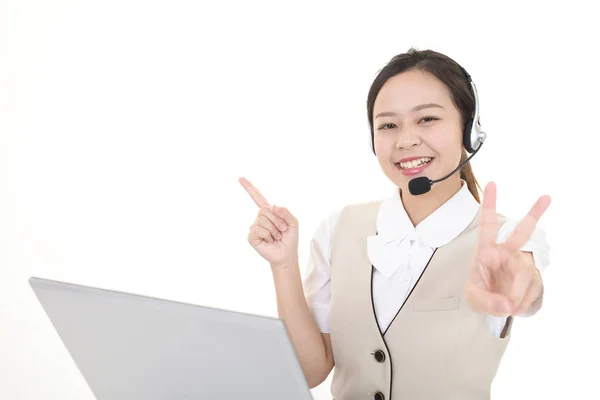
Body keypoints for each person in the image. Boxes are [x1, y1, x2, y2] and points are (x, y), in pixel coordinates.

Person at [239, 48, 551, 400]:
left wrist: (518, 288)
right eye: (388, 125)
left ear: (469, 130)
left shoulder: (504, 239)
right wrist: (283, 266)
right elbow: (310, 371)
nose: (405, 140)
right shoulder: (338, 229)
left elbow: (528, 294)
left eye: (427, 119)